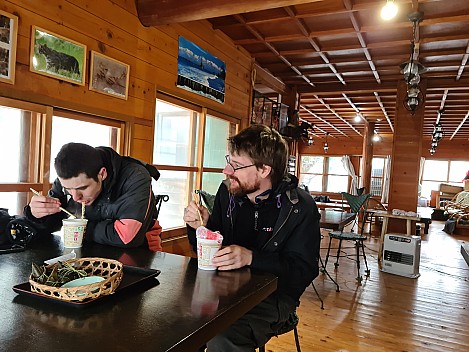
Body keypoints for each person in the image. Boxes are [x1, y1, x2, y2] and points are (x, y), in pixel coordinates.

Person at [183, 124, 321, 351]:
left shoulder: (299, 207)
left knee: (223, 337)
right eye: (229, 161)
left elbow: (302, 270)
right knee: (182, 323)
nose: (226, 171)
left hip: (275, 297)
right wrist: (201, 228)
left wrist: (251, 258)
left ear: (264, 169)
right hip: (223, 290)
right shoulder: (228, 192)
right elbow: (214, 246)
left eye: (236, 165)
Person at [24, 143, 162, 250]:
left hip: (140, 253)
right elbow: (52, 225)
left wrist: (78, 228)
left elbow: (127, 237)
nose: (75, 197)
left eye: (82, 188)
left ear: (102, 174)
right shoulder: (69, 180)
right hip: (89, 251)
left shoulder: (135, 176)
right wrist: (36, 215)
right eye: (68, 189)